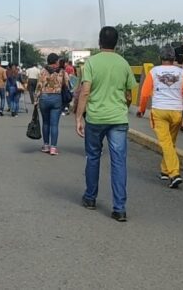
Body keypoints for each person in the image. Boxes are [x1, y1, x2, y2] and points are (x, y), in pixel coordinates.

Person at [75, 26, 136, 222]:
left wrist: (78, 117)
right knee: (118, 161)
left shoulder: (91, 63)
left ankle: (91, 198)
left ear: (100, 42)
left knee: (93, 157)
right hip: (118, 119)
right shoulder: (124, 64)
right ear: (116, 43)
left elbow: (85, 91)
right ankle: (119, 208)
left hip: (95, 118)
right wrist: (122, 107)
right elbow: (129, 95)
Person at [136, 46, 183, 189]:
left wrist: (142, 110)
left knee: (166, 143)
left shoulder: (154, 71)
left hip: (160, 111)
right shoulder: (182, 73)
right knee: (170, 142)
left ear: (160, 58)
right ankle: (165, 170)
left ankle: (174, 173)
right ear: (174, 58)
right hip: (176, 112)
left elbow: (144, 94)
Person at [35, 54, 69, 155]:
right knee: (54, 124)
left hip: (44, 98)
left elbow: (39, 86)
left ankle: (46, 146)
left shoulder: (42, 71)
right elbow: (66, 84)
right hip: (56, 98)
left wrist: (36, 100)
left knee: (45, 123)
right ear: (56, 61)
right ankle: (53, 148)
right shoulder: (62, 72)